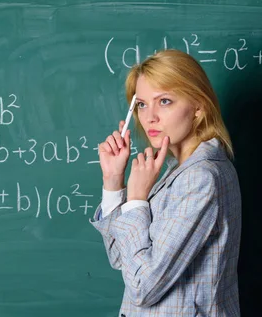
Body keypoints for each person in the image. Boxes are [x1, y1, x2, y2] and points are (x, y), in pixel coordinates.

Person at [90, 49, 242, 316]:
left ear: (198, 107)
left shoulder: (200, 179)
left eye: (165, 101)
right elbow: (121, 257)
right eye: (142, 104)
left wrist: (137, 200)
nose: (150, 117)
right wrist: (113, 181)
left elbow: (144, 287)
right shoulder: (178, 170)